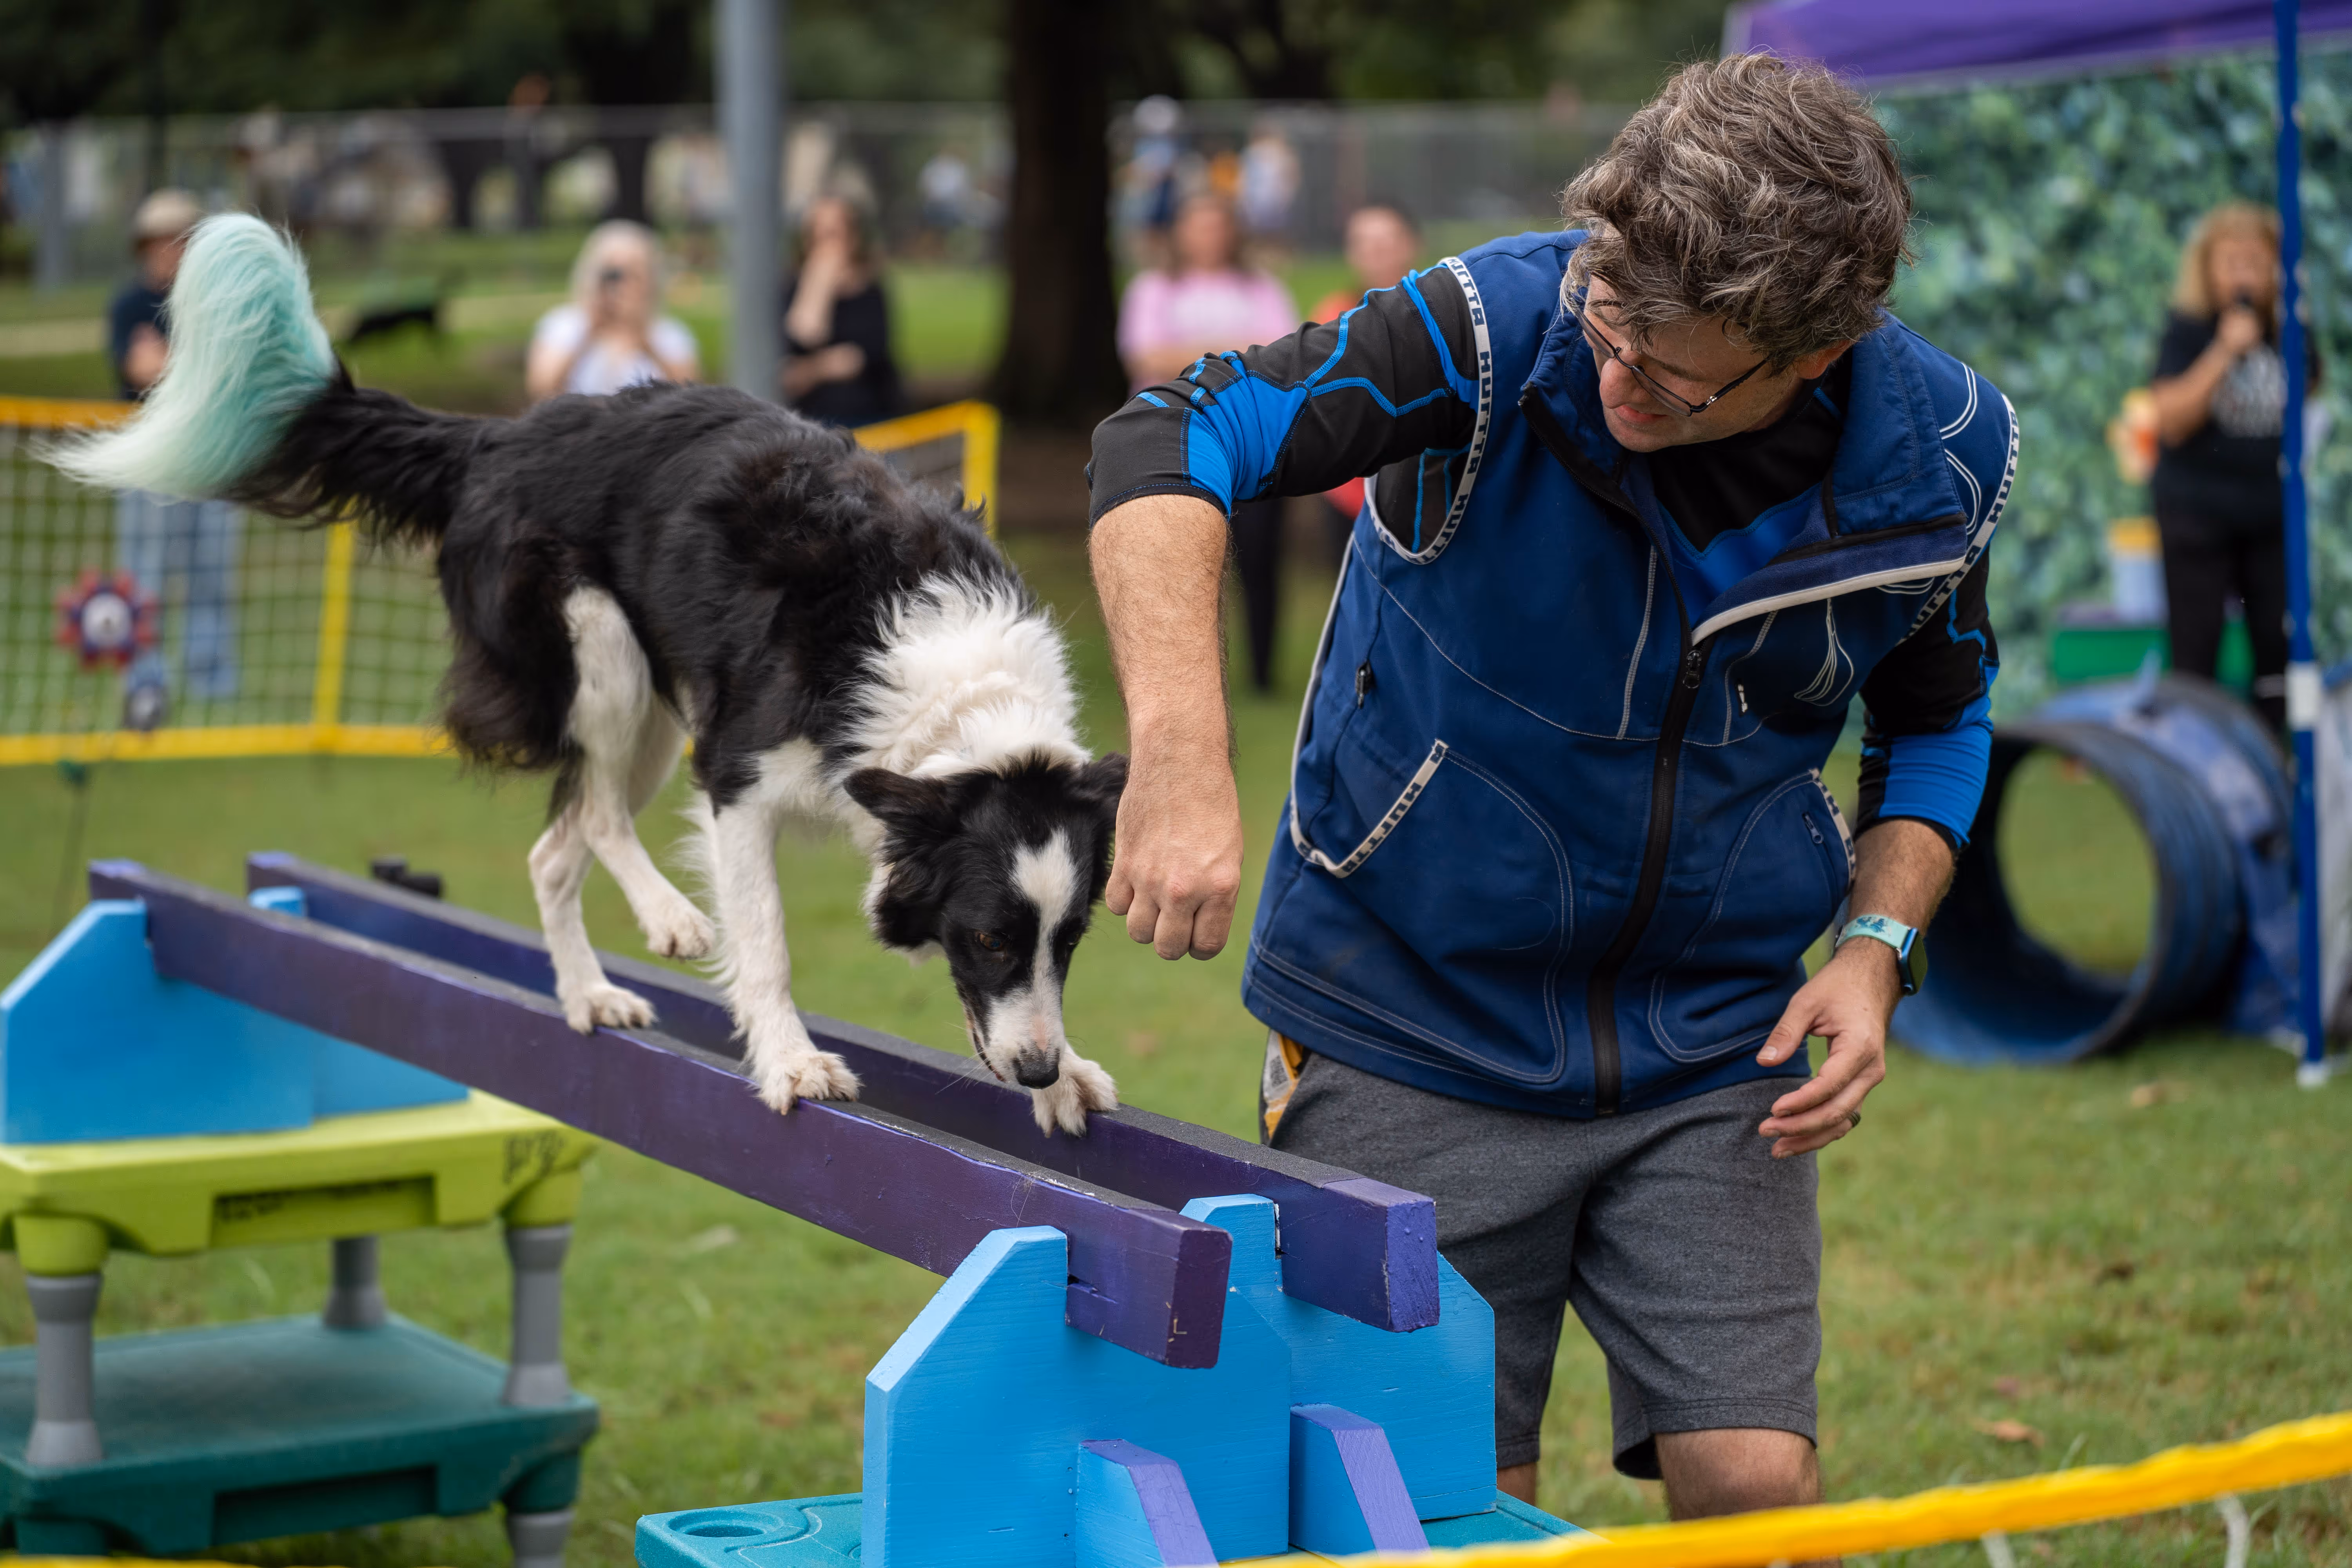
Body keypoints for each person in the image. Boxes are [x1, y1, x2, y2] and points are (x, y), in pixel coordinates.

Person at [1088, 55, 2014, 1523]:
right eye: (1609, 318)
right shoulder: (1485, 326)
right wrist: (1184, 760)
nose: (1615, 373)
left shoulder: (1940, 461)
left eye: (1673, 369)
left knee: (1762, 1494)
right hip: (1406, 1018)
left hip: (1712, 1043)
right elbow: (1166, 439)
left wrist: (1875, 946)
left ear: (1810, 357)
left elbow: (1942, 717)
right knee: (1452, 1511)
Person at [1116, 192, 1301, 693]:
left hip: (1254, 444)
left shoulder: (1262, 288)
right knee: (1182, 565)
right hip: (1172, 442)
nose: (1209, 236)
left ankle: (1263, 677)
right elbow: (1146, 356)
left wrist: (1191, 358)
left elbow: (1285, 359)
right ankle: (1185, 681)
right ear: (1179, 232)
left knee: (1260, 559)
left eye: (1218, 225)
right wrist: (1236, 354)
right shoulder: (1153, 289)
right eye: (1198, 226)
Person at [2148, 202, 2314, 731]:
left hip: (2268, 519)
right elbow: (2169, 419)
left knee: (2276, 650)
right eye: (2232, 262)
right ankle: (2198, 766)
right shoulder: (2190, 330)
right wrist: (2224, 351)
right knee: (2196, 653)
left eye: (2255, 262)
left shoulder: (2288, 330)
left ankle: (2274, 763)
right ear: (2208, 269)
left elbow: (2312, 388)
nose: (2244, 275)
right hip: (2197, 517)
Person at [109, 188, 241, 712]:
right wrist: (186, 369)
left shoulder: (215, 306)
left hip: (210, 453)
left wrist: (173, 365)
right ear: (145, 246)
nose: (171, 251)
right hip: (150, 456)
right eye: (161, 241)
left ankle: (212, 678)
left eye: (180, 240)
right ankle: (145, 679)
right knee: (146, 571)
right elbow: (139, 369)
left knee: (211, 568)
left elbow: (226, 374)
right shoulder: (129, 304)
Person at [1309, 205, 1425, 552]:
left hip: (1425, 491)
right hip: (1350, 494)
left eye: (1385, 241)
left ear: (1412, 244)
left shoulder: (1442, 315)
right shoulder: (1331, 317)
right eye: (1363, 243)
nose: (1375, 253)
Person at [525, 221, 700, 403]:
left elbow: (688, 397)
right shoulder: (564, 325)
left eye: (633, 273)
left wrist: (644, 339)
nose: (620, 285)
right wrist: (590, 331)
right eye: (612, 274)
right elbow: (542, 390)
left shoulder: (669, 333)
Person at [780, 194, 902, 427]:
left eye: (832, 235)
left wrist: (810, 370)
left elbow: (860, 359)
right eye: (815, 235)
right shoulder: (793, 288)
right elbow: (801, 340)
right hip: (810, 424)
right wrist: (817, 286)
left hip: (869, 421)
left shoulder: (871, 291)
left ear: (853, 238)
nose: (824, 245)